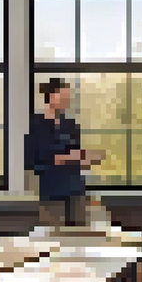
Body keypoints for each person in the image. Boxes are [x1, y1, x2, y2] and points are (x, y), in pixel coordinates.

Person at [25, 79, 99, 226]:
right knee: (53, 238)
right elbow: (31, 161)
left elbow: (76, 153)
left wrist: (86, 159)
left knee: (79, 237)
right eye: (62, 96)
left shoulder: (71, 125)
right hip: (52, 192)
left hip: (76, 190)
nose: (66, 100)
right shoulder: (36, 125)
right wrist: (58, 160)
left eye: (67, 97)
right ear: (50, 97)